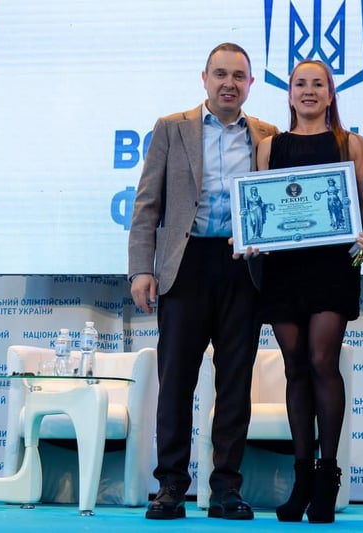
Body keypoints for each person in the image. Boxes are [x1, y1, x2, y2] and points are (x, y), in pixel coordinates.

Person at [128, 42, 279, 521]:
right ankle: (171, 486)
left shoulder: (267, 134)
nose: (229, 83)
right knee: (176, 381)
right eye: (221, 74)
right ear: (205, 78)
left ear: (250, 84)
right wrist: (141, 268)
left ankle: (226, 488)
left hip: (243, 267)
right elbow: (147, 204)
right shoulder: (172, 127)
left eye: (238, 76)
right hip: (185, 264)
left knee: (235, 383)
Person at [255, 59, 363, 524]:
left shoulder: (351, 143)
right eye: (300, 84)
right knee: (294, 367)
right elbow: (260, 204)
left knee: (322, 361)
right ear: (289, 93)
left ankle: (328, 476)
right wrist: (253, 237)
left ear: (331, 94)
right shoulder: (269, 147)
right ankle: (302, 477)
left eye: (318, 84)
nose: (309, 91)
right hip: (283, 268)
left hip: (333, 268)